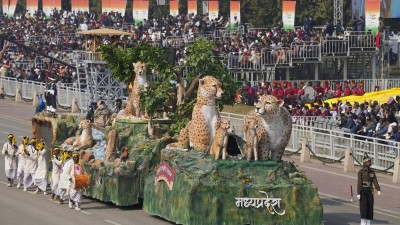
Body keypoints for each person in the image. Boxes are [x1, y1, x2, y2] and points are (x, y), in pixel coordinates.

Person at [357, 153, 381, 225]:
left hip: (370, 191)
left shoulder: (372, 172)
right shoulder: (360, 172)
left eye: (369, 162)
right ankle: (363, 222)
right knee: (364, 208)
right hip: (363, 191)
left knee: (370, 208)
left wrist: (378, 189)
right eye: (367, 162)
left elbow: (375, 180)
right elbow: (359, 183)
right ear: (364, 163)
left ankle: (368, 223)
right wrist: (358, 192)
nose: (369, 163)